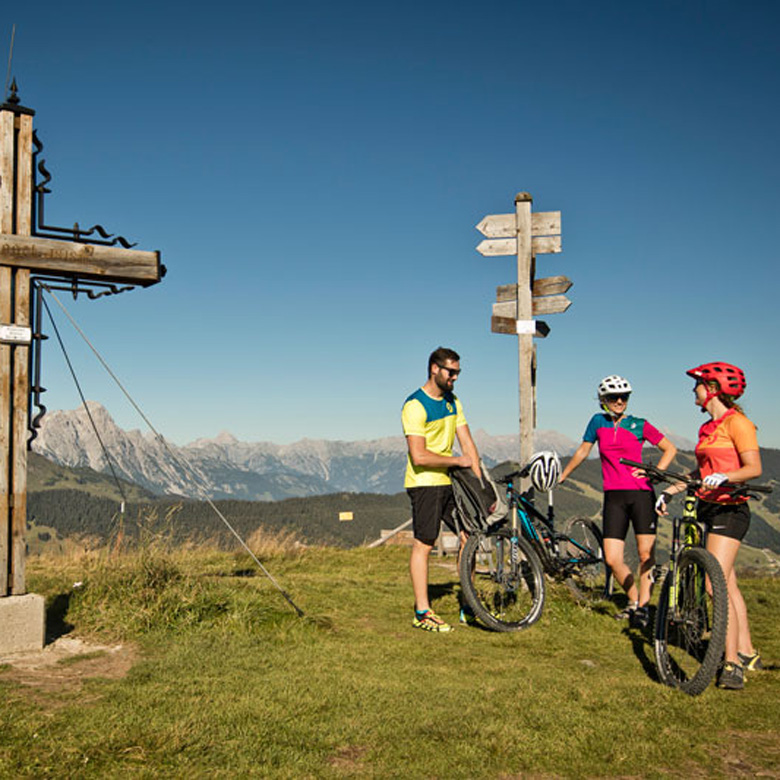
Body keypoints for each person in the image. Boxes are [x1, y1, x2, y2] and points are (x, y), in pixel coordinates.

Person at [656, 362, 762, 690]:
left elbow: (754, 468)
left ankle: (730, 664)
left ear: (713, 388)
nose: (694, 390)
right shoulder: (708, 428)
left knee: (714, 584)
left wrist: (726, 477)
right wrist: (670, 491)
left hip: (730, 510)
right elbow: (700, 472)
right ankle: (746, 651)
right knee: (727, 583)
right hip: (707, 506)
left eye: (698, 385)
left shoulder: (738, 423)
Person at [558, 375, 677, 628]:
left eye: (624, 397)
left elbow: (670, 449)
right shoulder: (597, 422)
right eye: (614, 397)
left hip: (642, 494)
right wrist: (564, 475)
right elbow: (583, 450)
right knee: (612, 558)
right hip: (614, 496)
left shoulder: (639, 424)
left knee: (646, 554)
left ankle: (643, 608)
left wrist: (656, 473)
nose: (620, 401)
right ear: (603, 400)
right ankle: (633, 600)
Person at [402, 347, 481, 632]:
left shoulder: (453, 402)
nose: (455, 378)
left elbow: (467, 442)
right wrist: (458, 461)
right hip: (425, 483)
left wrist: (480, 482)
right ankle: (422, 612)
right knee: (425, 542)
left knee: (469, 536)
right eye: (451, 372)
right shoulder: (415, 406)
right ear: (434, 369)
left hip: (450, 482)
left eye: (458, 372)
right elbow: (419, 456)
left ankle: (469, 604)